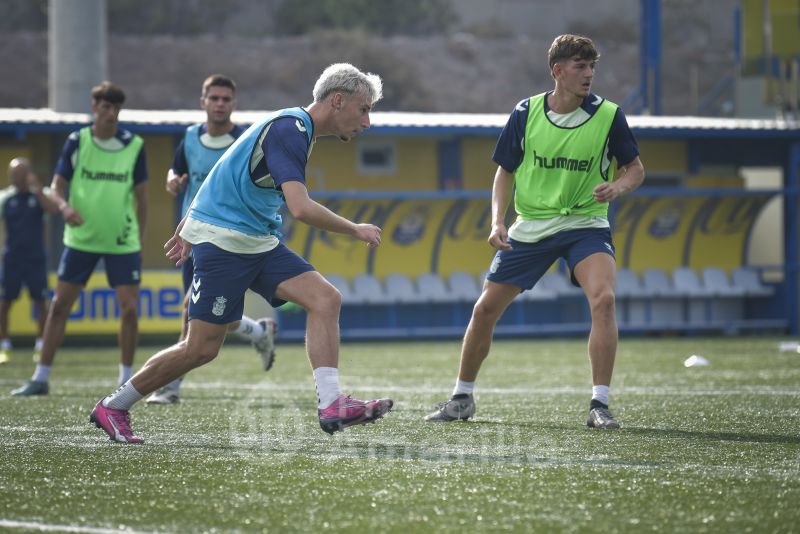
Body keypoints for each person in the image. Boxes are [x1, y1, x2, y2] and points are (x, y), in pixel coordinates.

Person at [89, 63, 393, 443]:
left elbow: (222, 164)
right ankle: (114, 406)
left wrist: (187, 222)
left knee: (325, 299)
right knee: (200, 349)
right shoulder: (291, 130)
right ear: (337, 100)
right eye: (364, 109)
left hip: (256, 241)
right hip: (226, 244)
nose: (367, 122)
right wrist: (355, 228)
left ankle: (331, 404)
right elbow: (300, 208)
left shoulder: (295, 128)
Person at [425, 34, 645, 429]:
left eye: (592, 66)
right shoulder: (525, 113)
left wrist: (618, 187)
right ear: (557, 71)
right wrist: (497, 221)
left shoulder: (610, 115)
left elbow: (636, 169)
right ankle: (461, 398)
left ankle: (600, 404)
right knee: (484, 310)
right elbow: (504, 171)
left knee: (604, 300)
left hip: (586, 224)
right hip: (532, 225)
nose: (589, 74)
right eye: (581, 66)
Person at [146, 74, 277, 405]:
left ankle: (170, 386)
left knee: (192, 309)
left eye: (226, 99)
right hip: (194, 236)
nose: (220, 104)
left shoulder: (245, 140)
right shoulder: (190, 137)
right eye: (214, 98)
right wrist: (173, 182)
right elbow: (174, 172)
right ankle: (259, 332)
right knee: (224, 319)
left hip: (232, 239)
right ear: (202, 101)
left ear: (234, 103)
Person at [11, 81, 148, 396]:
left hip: (121, 241)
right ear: (94, 108)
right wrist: (64, 207)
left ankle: (125, 380)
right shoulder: (77, 141)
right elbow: (57, 186)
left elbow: (142, 199)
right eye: (105, 107)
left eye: (115, 108)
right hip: (81, 239)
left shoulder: (134, 145)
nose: (111, 113)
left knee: (129, 309)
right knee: (59, 306)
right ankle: (41, 377)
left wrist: (139, 239)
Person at [0, 158, 60, 364]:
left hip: (35, 258)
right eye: (12, 174)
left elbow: (53, 210)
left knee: (41, 302)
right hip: (12, 259)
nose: (14, 178)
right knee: (5, 302)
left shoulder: (41, 194)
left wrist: (38, 190)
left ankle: (41, 345)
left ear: (28, 174)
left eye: (19, 174)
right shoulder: (5, 198)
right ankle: (4, 345)